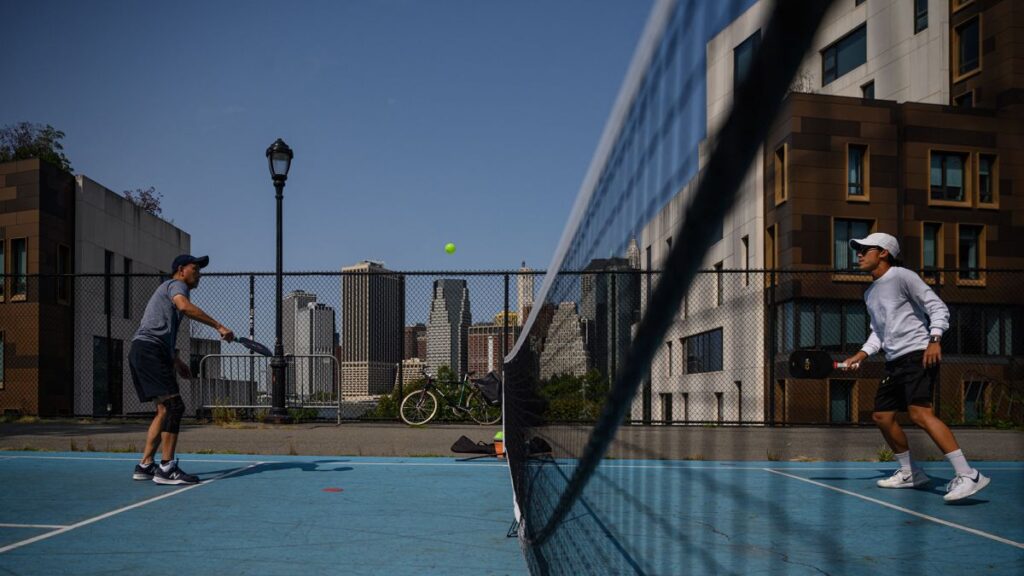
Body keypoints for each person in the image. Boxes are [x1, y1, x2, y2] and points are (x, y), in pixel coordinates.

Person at [840, 232, 989, 502]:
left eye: (865, 249)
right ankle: (910, 473)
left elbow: (937, 307)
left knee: (920, 414)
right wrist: (861, 354)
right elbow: (878, 332)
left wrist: (935, 339)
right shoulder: (870, 292)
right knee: (882, 417)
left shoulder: (902, 276)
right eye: (857, 250)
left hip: (918, 354)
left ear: (883, 253)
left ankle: (968, 474)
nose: (859, 254)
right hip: (894, 361)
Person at [129, 254, 233, 485]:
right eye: (195, 269)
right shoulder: (176, 285)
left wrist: (176, 361)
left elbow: (160, 329)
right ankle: (167, 467)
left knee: (164, 409)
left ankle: (145, 465)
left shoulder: (167, 288)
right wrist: (219, 326)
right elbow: (184, 307)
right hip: (149, 350)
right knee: (175, 406)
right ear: (180, 270)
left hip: (143, 350)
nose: (199, 274)